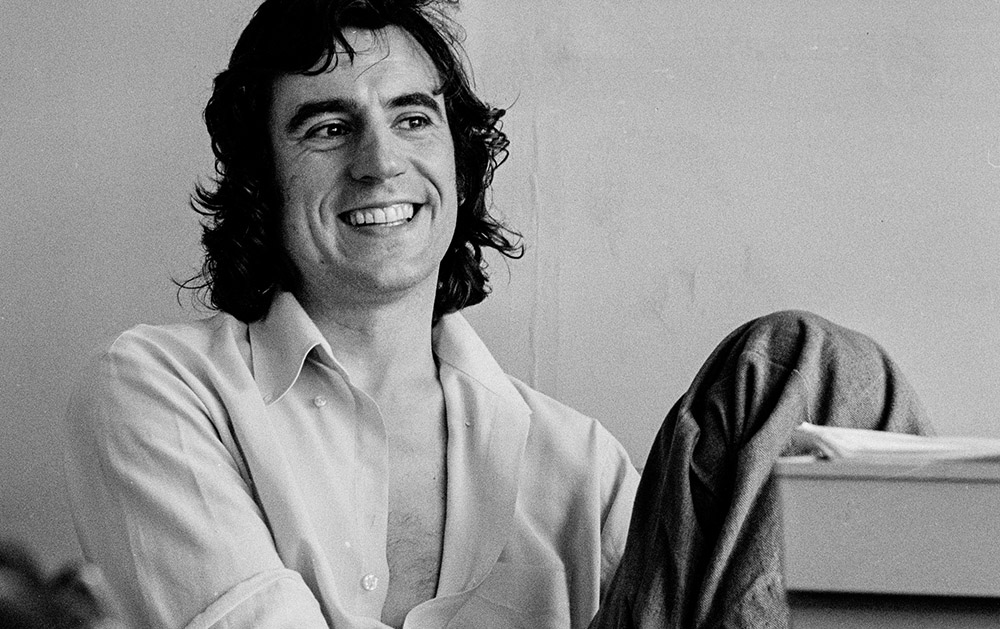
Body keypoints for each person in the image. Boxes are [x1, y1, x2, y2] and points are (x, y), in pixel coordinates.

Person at [63, 1, 931, 628]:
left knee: (809, 370)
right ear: (261, 179)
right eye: (327, 128)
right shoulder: (162, 388)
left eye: (412, 117)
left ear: (458, 161)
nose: (380, 162)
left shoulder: (577, 463)